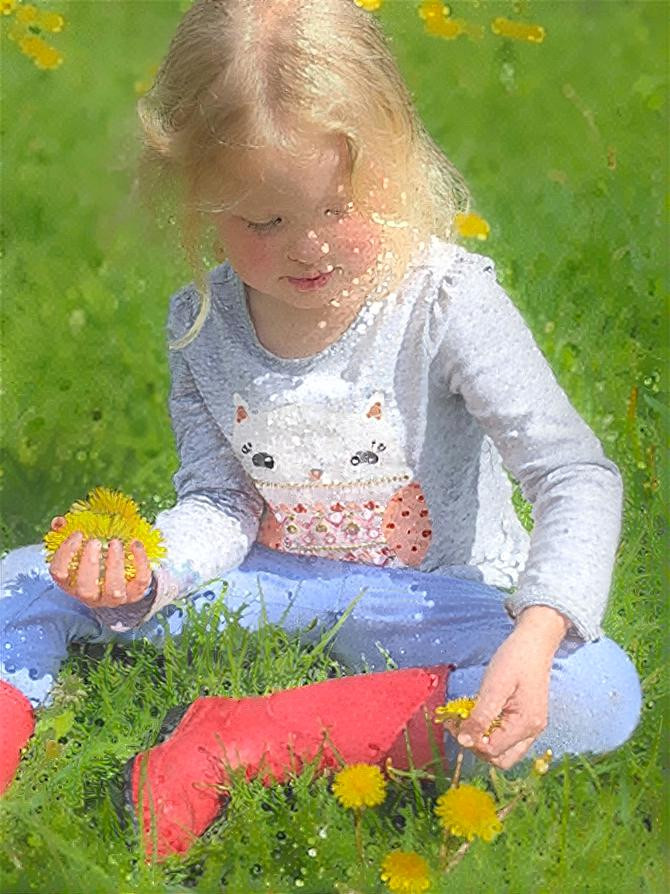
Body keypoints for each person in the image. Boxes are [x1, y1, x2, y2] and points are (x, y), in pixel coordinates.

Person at [0, 0, 641, 859]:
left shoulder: (445, 302)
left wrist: (537, 629)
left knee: (593, 690)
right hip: (272, 580)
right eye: (263, 221)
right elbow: (221, 502)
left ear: (396, 162)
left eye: (340, 207)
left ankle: (242, 740)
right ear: (196, 195)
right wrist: (151, 575)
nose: (309, 248)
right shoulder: (202, 321)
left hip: (440, 599)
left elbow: (574, 474)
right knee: (23, 581)